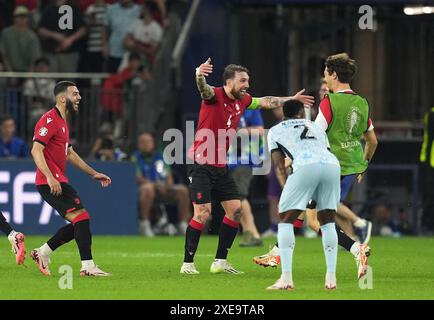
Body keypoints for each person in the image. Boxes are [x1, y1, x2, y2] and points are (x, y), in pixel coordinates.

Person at [180, 58, 314, 275]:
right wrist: (198, 74)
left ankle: (220, 262)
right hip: (200, 163)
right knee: (203, 214)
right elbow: (202, 88)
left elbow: (265, 102)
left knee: (235, 211)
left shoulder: (243, 100)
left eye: (247, 81)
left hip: (220, 165)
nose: (247, 85)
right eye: (242, 81)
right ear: (229, 82)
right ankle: (187, 263)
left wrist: (292, 98)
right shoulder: (214, 96)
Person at [254, 67, 375, 278]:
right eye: (320, 89)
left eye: (325, 85)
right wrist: (361, 163)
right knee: (304, 214)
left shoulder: (327, 110)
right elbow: (368, 140)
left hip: (318, 166)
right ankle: (276, 253)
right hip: (333, 165)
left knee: (313, 220)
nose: (323, 91)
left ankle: (356, 246)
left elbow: (309, 143)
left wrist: (292, 162)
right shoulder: (351, 106)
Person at [30, 81, 112, 276]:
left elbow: (70, 154)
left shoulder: (62, 122)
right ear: (62, 98)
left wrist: (93, 173)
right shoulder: (49, 120)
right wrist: (50, 177)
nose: (79, 98)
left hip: (58, 180)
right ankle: (87, 267)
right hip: (49, 182)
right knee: (81, 218)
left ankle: (42, 253)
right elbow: (36, 150)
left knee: (79, 221)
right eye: (75, 94)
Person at [266, 99, 341, 290]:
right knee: (327, 221)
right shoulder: (316, 127)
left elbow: (278, 166)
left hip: (306, 166)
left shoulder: (276, 130)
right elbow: (324, 151)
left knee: (285, 219)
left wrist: (286, 188)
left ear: (284, 113)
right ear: (301, 113)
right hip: (332, 165)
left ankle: (286, 278)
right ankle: (331, 279)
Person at [131, 133, 190, 237]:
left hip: (162, 189)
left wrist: (169, 186)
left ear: (153, 144)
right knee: (148, 189)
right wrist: (155, 185)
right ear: (138, 144)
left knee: (182, 190)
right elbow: (138, 177)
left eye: (148, 142)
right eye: (143, 142)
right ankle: (144, 224)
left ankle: (182, 224)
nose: (145, 145)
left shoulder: (159, 156)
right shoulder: (135, 157)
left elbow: (167, 174)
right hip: (143, 189)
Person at [227, 109, 264, 247]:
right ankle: (253, 234)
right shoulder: (225, 107)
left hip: (244, 159)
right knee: (236, 197)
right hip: (228, 160)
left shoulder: (250, 108)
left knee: (239, 196)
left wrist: (237, 131)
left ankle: (251, 233)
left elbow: (260, 130)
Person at [38, 0, 86, 72]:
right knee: (51, 80)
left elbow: (83, 29)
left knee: (69, 81)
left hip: (70, 53)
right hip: (51, 53)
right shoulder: (49, 8)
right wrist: (54, 35)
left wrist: (70, 39)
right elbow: (40, 30)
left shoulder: (74, 8)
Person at [0, 6, 42, 72]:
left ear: (28, 19)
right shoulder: (6, 33)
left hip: (26, 71)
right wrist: (10, 72)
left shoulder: (32, 36)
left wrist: (29, 76)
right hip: (10, 70)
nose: (22, 19)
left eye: (24, 17)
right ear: (14, 18)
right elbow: (4, 54)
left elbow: (35, 58)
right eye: (19, 17)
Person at [419, 106, 434, 233]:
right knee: (430, 196)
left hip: (429, 161)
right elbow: (429, 141)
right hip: (431, 162)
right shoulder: (431, 115)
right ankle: (427, 225)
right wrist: (426, 163)